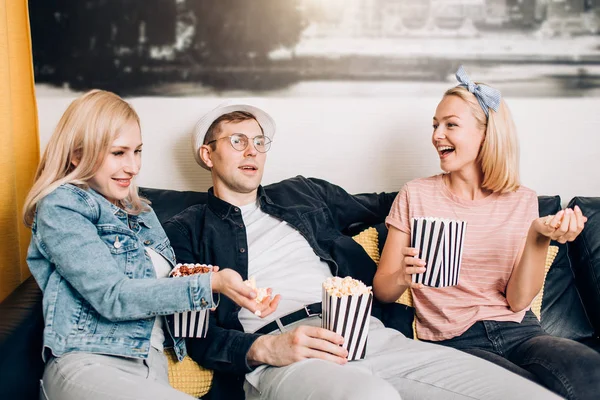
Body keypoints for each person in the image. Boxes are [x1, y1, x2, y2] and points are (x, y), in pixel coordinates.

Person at [164, 100, 561, 400]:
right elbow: (191, 332)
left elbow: (393, 207)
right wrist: (264, 348)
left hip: (368, 332)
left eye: (259, 141)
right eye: (237, 140)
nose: (252, 150)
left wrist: (481, 197)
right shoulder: (185, 230)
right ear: (207, 154)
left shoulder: (303, 193)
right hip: (285, 349)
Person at [23, 90, 273, 400]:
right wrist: (210, 284)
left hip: (150, 370)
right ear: (77, 154)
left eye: (137, 151)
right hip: (91, 363)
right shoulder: (62, 207)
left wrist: (233, 291)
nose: (133, 166)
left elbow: (165, 292)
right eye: (119, 153)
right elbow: (112, 296)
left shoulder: (140, 211)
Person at [374, 66, 600, 400]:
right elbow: (382, 290)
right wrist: (404, 277)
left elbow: (518, 300)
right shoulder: (416, 194)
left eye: (451, 125)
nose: (437, 135)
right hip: (453, 342)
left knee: (590, 372)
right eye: (435, 125)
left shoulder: (522, 200)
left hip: (521, 333)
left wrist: (538, 235)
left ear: (486, 134)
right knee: (526, 393)